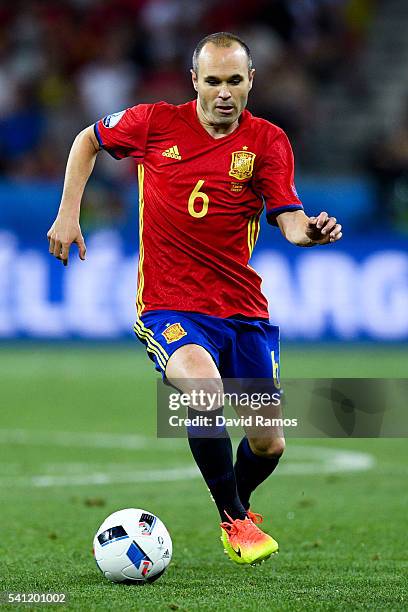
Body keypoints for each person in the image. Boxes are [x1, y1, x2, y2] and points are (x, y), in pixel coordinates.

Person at [47, 32, 342, 566]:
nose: (224, 93)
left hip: (242, 310)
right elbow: (86, 140)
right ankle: (234, 520)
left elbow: (289, 219)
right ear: (195, 82)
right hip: (169, 305)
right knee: (202, 388)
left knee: (269, 443)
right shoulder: (155, 123)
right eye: (213, 81)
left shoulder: (268, 141)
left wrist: (311, 233)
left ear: (251, 80)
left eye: (234, 80)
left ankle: (241, 503)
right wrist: (69, 211)